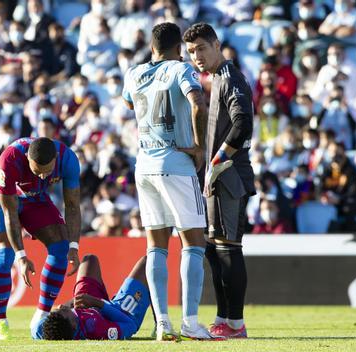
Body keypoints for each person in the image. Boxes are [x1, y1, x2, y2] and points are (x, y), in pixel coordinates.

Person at [121, 22, 217, 341]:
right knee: (193, 242)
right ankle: (189, 320)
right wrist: (200, 146)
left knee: (156, 247)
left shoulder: (134, 73)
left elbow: (129, 103)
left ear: (152, 48)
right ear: (179, 49)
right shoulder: (180, 69)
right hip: (176, 162)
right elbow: (198, 102)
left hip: (144, 164)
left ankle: (162, 322)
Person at [184, 23, 256, 339]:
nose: (197, 56)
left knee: (228, 249)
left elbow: (243, 125)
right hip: (217, 177)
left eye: (201, 48)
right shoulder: (216, 79)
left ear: (216, 44)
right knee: (214, 250)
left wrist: (218, 159)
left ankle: (236, 325)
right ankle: (223, 318)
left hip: (230, 176)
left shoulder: (231, 78)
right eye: (191, 51)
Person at [0, 137, 81, 340]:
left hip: (34, 196)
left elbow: (72, 205)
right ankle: (0, 322)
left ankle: (42, 315)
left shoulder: (68, 159)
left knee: (61, 247)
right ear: (27, 158)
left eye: (48, 171)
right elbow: (10, 213)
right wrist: (21, 256)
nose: (44, 175)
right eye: (38, 171)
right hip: (0, 195)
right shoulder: (10, 160)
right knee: (4, 251)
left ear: (56, 158)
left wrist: (74, 245)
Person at [36, 254, 151, 340]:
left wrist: (73, 302)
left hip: (89, 305)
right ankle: (160, 321)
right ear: (74, 324)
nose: (62, 306)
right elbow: (130, 326)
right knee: (148, 262)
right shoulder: (97, 329)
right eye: (64, 310)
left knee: (89, 259)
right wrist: (98, 303)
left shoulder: (49, 329)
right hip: (120, 313)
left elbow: (36, 329)